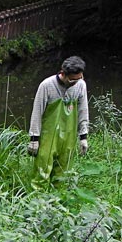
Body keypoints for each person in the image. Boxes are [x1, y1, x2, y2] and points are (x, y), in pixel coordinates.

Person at [28, 55, 89, 184]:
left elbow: (83, 111)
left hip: (69, 135)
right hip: (48, 135)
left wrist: (83, 137)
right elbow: (37, 113)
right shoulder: (46, 85)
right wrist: (34, 139)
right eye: (73, 80)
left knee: (63, 172)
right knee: (42, 170)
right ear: (63, 74)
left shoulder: (81, 85)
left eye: (79, 78)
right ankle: (38, 201)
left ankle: (58, 199)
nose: (76, 83)